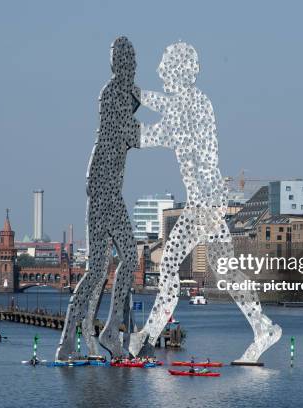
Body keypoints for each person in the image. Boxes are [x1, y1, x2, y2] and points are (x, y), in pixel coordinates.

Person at [128, 42, 282, 364]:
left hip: (203, 205)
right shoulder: (192, 102)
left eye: (166, 68)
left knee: (170, 263)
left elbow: (156, 133)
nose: (161, 72)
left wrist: (126, 116)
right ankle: (263, 327)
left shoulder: (191, 105)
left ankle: (148, 337)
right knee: (225, 272)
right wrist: (137, 94)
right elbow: (165, 107)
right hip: (209, 202)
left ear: (181, 72)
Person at [56, 36, 140, 361]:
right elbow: (131, 134)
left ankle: (76, 341)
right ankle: (106, 332)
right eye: (126, 61)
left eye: (132, 62)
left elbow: (139, 106)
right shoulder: (113, 94)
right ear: (117, 63)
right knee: (119, 261)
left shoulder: (124, 92)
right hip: (104, 186)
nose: (131, 67)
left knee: (100, 267)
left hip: (107, 188)